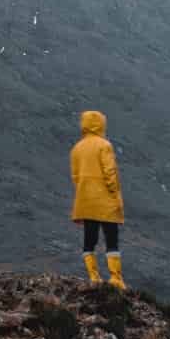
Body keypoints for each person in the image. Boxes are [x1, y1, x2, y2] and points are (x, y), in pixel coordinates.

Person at [69, 108, 125, 287]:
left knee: (89, 240)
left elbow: (76, 177)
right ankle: (115, 278)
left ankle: (93, 276)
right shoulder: (104, 145)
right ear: (101, 124)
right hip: (105, 201)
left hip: (86, 201)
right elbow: (110, 173)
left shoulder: (77, 148)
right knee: (111, 239)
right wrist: (115, 196)